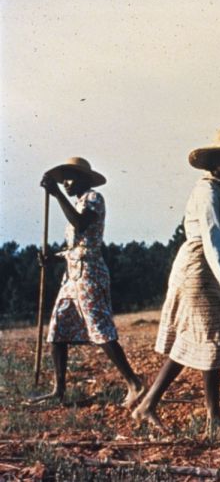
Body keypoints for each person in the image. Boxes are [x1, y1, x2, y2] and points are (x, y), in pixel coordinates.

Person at [132, 128, 220, 436]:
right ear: (213, 159)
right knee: (210, 339)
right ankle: (214, 418)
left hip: (208, 269)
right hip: (198, 267)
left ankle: (148, 404)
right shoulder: (206, 191)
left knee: (196, 340)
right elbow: (211, 237)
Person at [33, 157, 144, 407]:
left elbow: (81, 224)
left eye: (70, 178)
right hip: (71, 276)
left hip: (90, 274)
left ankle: (135, 383)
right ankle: (58, 390)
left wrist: (57, 194)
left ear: (84, 179)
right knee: (58, 328)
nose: (66, 183)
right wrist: (54, 257)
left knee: (99, 329)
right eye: (63, 180)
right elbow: (76, 246)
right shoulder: (77, 203)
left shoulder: (94, 198)